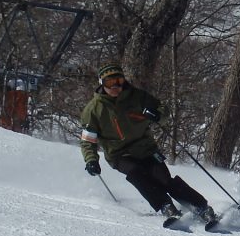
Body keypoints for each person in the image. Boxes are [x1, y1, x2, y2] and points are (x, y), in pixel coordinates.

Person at [80, 62, 217, 226]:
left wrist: (158, 116)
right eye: (110, 83)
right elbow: (88, 141)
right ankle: (166, 207)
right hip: (118, 154)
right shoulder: (94, 110)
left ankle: (202, 208)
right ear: (102, 84)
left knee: (164, 179)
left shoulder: (137, 96)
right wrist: (91, 160)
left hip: (146, 147)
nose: (116, 86)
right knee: (137, 173)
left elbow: (163, 110)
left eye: (119, 81)